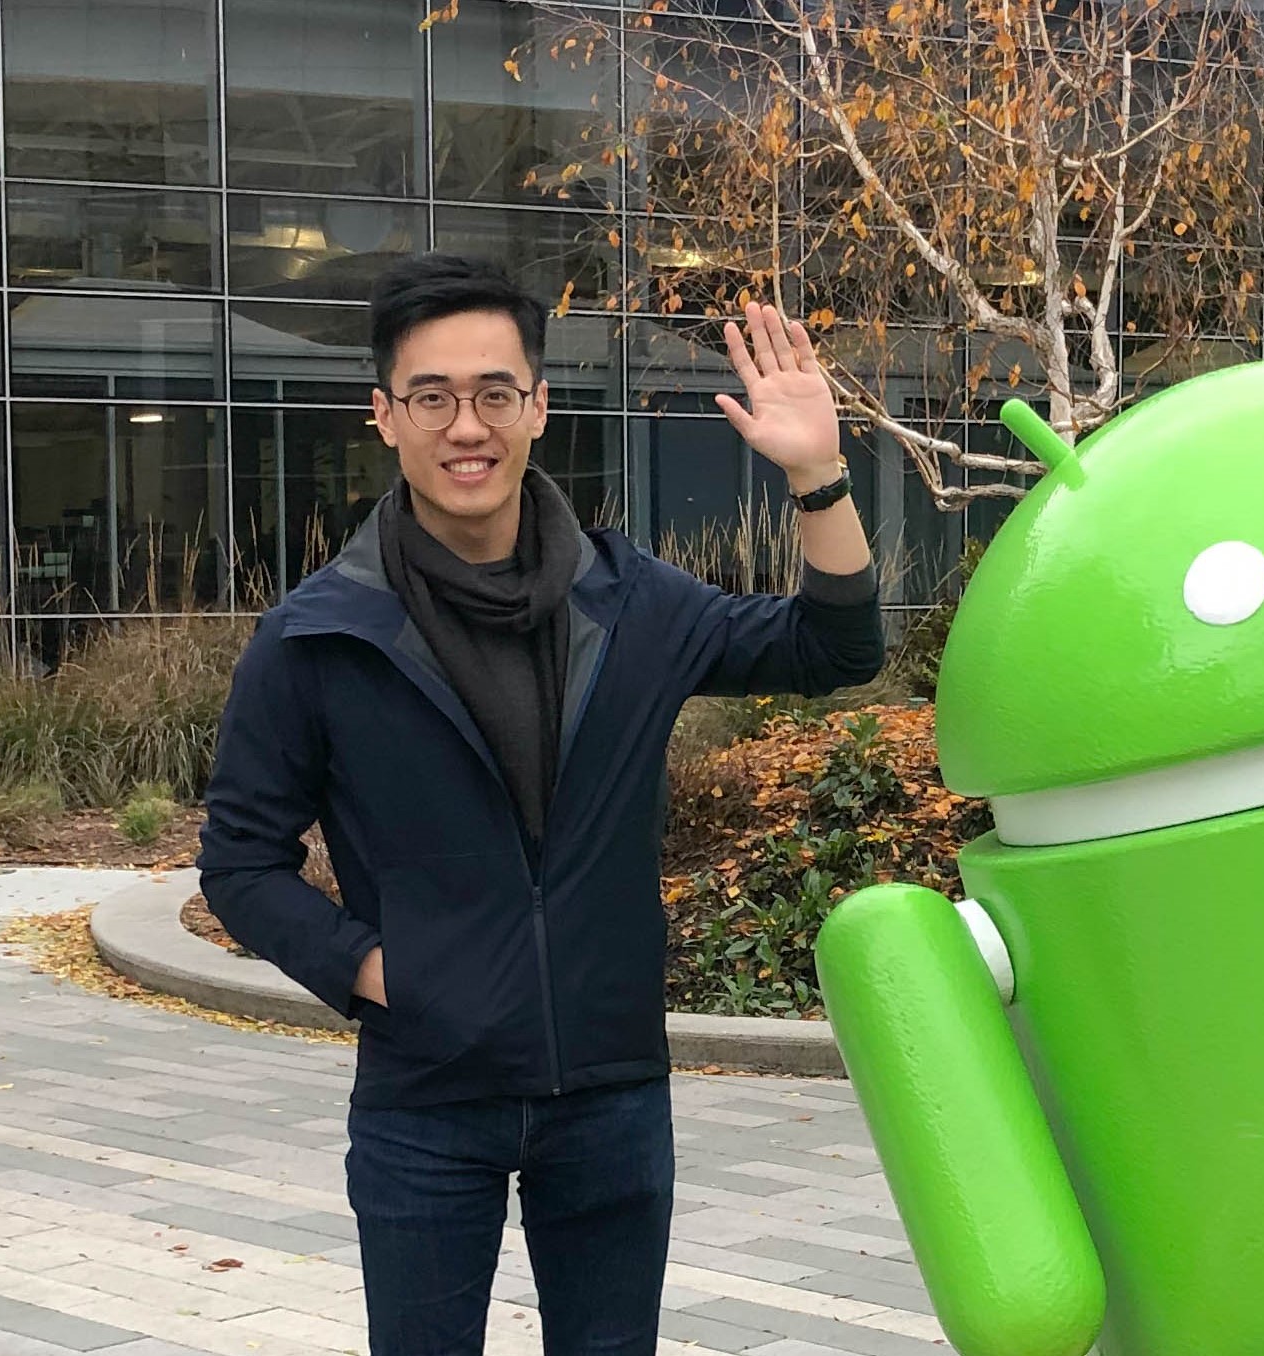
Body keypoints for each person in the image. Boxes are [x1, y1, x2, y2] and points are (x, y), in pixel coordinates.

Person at [198, 253, 885, 1354]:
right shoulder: (318, 637)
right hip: (426, 1100)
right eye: (432, 397)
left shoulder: (633, 601)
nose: (465, 426)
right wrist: (376, 971)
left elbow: (835, 648)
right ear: (385, 416)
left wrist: (817, 477)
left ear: (539, 407)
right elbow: (240, 863)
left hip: (610, 1092)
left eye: (494, 393)